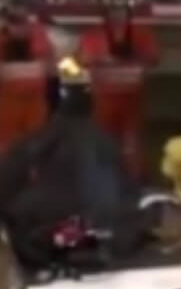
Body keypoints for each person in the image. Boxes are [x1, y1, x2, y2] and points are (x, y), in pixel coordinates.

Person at [0, 58, 143, 275]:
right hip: (109, 241)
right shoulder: (109, 142)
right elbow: (131, 191)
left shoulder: (42, 139)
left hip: (55, 240)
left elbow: (7, 181)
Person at [77, 0, 159, 180]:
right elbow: (83, 61)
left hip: (133, 98)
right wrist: (102, 60)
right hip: (103, 98)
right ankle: (102, 175)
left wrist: (134, 59)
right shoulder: (93, 36)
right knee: (102, 139)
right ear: (105, 14)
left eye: (121, 10)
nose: (117, 15)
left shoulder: (141, 34)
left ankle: (135, 177)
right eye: (113, 10)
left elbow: (153, 59)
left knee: (133, 140)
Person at [0, 0, 56, 154]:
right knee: (8, 141)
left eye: (23, 10)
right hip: (8, 98)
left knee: (35, 139)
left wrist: (52, 91)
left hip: (35, 98)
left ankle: (30, 173)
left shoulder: (39, 33)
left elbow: (50, 63)